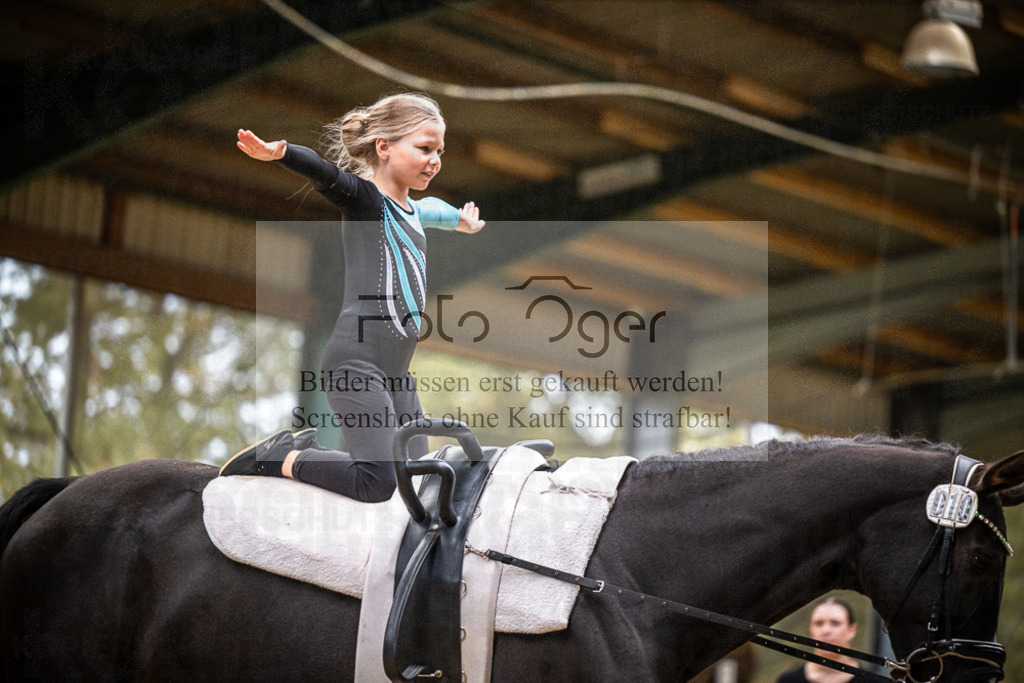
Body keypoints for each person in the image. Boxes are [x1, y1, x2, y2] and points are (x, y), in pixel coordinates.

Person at [220, 92, 484, 502]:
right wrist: (282, 153)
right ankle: (286, 456)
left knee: (419, 485)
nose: (435, 159)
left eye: (440, 151)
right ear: (384, 147)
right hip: (354, 363)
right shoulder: (364, 201)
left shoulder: (416, 211)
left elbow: (434, 209)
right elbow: (325, 172)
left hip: (398, 376)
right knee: (377, 482)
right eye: (424, 148)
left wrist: (462, 222)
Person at [776, 598, 859, 683]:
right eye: (819, 623)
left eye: (835, 623)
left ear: (852, 630)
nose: (826, 630)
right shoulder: (788, 680)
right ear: (811, 629)